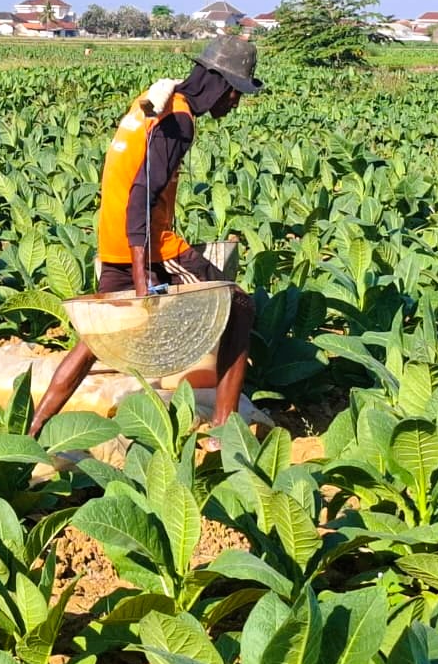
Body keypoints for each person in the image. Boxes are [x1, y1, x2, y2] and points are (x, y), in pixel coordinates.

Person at [28, 36, 262, 446]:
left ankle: (32, 430)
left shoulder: (153, 101)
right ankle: (225, 432)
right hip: (150, 244)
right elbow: (142, 197)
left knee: (97, 340)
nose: (234, 105)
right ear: (222, 86)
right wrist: (142, 281)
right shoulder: (178, 120)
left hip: (115, 239)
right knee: (239, 306)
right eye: (236, 95)